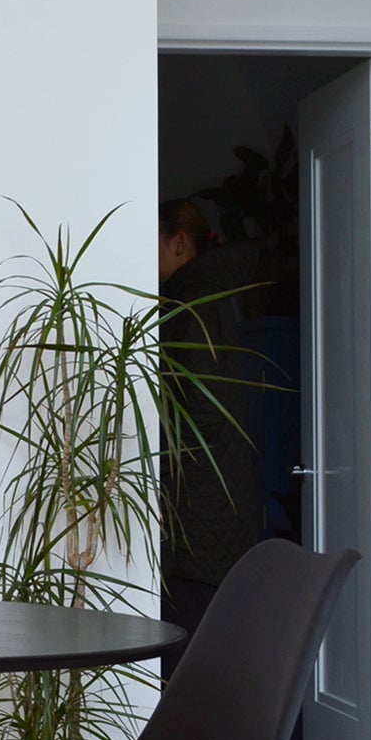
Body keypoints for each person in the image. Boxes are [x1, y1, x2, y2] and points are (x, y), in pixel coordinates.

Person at [158, 199, 263, 676]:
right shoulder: (205, 293)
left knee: (190, 649)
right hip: (214, 501)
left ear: (179, 243)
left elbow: (201, 407)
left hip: (198, 507)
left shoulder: (195, 299)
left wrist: (159, 466)